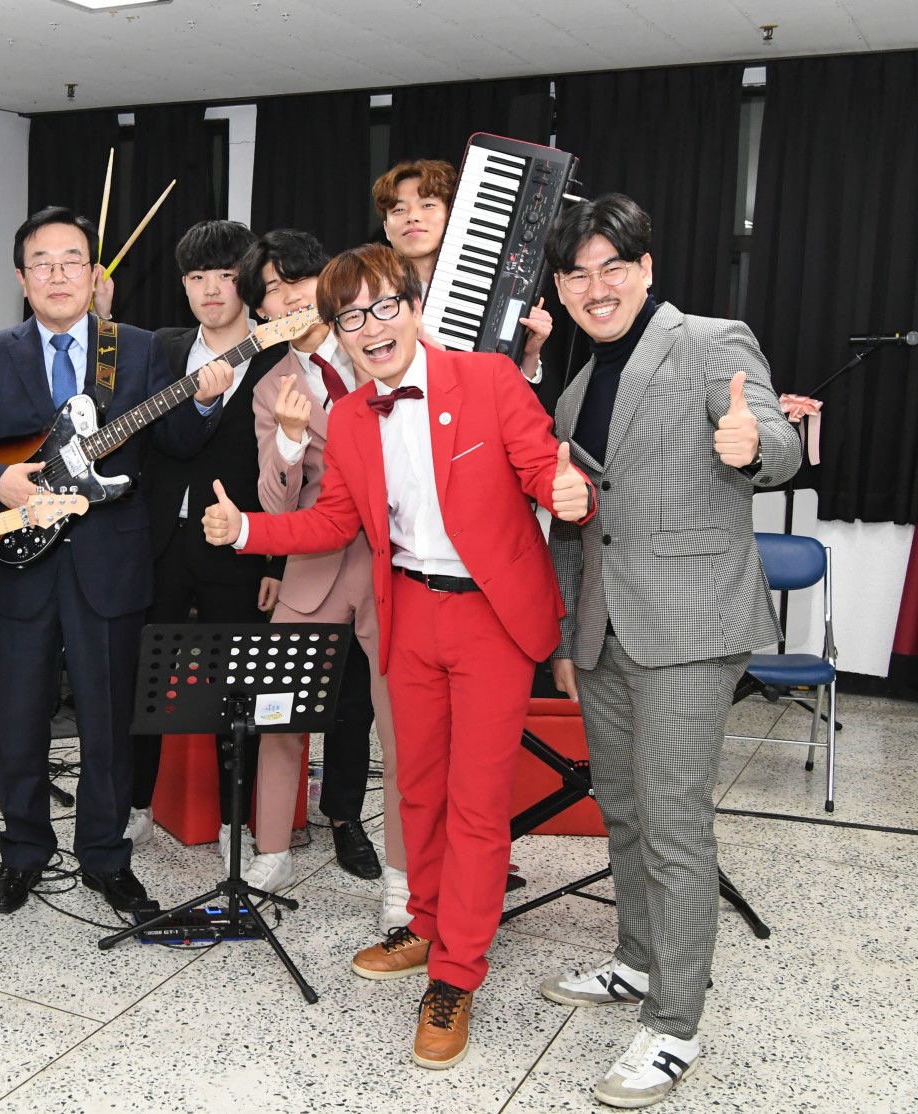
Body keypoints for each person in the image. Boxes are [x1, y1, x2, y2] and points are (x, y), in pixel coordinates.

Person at [202, 242, 593, 1069]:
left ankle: (457, 974)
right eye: (351, 317)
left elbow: (541, 468)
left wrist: (569, 492)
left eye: (385, 306)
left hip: (490, 617)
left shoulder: (489, 379)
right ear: (338, 332)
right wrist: (245, 531)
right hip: (409, 608)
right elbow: (332, 521)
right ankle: (426, 924)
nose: (371, 327)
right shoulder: (349, 418)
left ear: (415, 308)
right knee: (414, 787)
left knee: (476, 804)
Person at [538, 194, 800, 1109]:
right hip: (605, 632)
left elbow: (775, 440)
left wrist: (756, 445)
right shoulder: (576, 391)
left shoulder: (712, 341)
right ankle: (636, 961)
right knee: (622, 811)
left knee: (674, 824)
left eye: (614, 267)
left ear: (646, 269)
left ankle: (675, 1025)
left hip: (692, 626)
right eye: (578, 274)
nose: (597, 287)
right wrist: (569, 638)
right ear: (560, 289)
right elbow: (579, 527)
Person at [0, 206, 229, 916]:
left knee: (108, 721)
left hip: (110, 562)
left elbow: (175, 442)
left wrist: (203, 405)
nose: (58, 275)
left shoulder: (139, 346)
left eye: (72, 262)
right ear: (22, 277)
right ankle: (22, 851)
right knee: (21, 720)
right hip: (21, 561)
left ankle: (105, 856)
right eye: (43, 263)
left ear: (94, 275)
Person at [233, 229, 390, 901]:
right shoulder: (269, 387)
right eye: (271, 290)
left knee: (396, 721)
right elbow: (274, 503)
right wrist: (292, 442)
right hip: (313, 564)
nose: (289, 297)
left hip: (392, 564)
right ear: (260, 311)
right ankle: (271, 850)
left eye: (297, 279)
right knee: (280, 715)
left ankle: (397, 867)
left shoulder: (376, 346)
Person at [126, 220, 283, 866]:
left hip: (241, 545)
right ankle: (135, 806)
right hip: (159, 542)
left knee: (237, 688)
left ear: (248, 281)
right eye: (196, 277)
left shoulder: (276, 353)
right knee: (145, 680)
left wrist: (276, 559)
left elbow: (292, 468)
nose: (211, 289)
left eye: (225, 275)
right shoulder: (159, 348)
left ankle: (233, 821)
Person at [371, 158, 552, 383]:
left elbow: (504, 388)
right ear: (386, 229)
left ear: (452, 214)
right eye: (399, 209)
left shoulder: (489, 288)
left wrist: (529, 355)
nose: (412, 217)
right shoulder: (373, 299)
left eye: (427, 205)